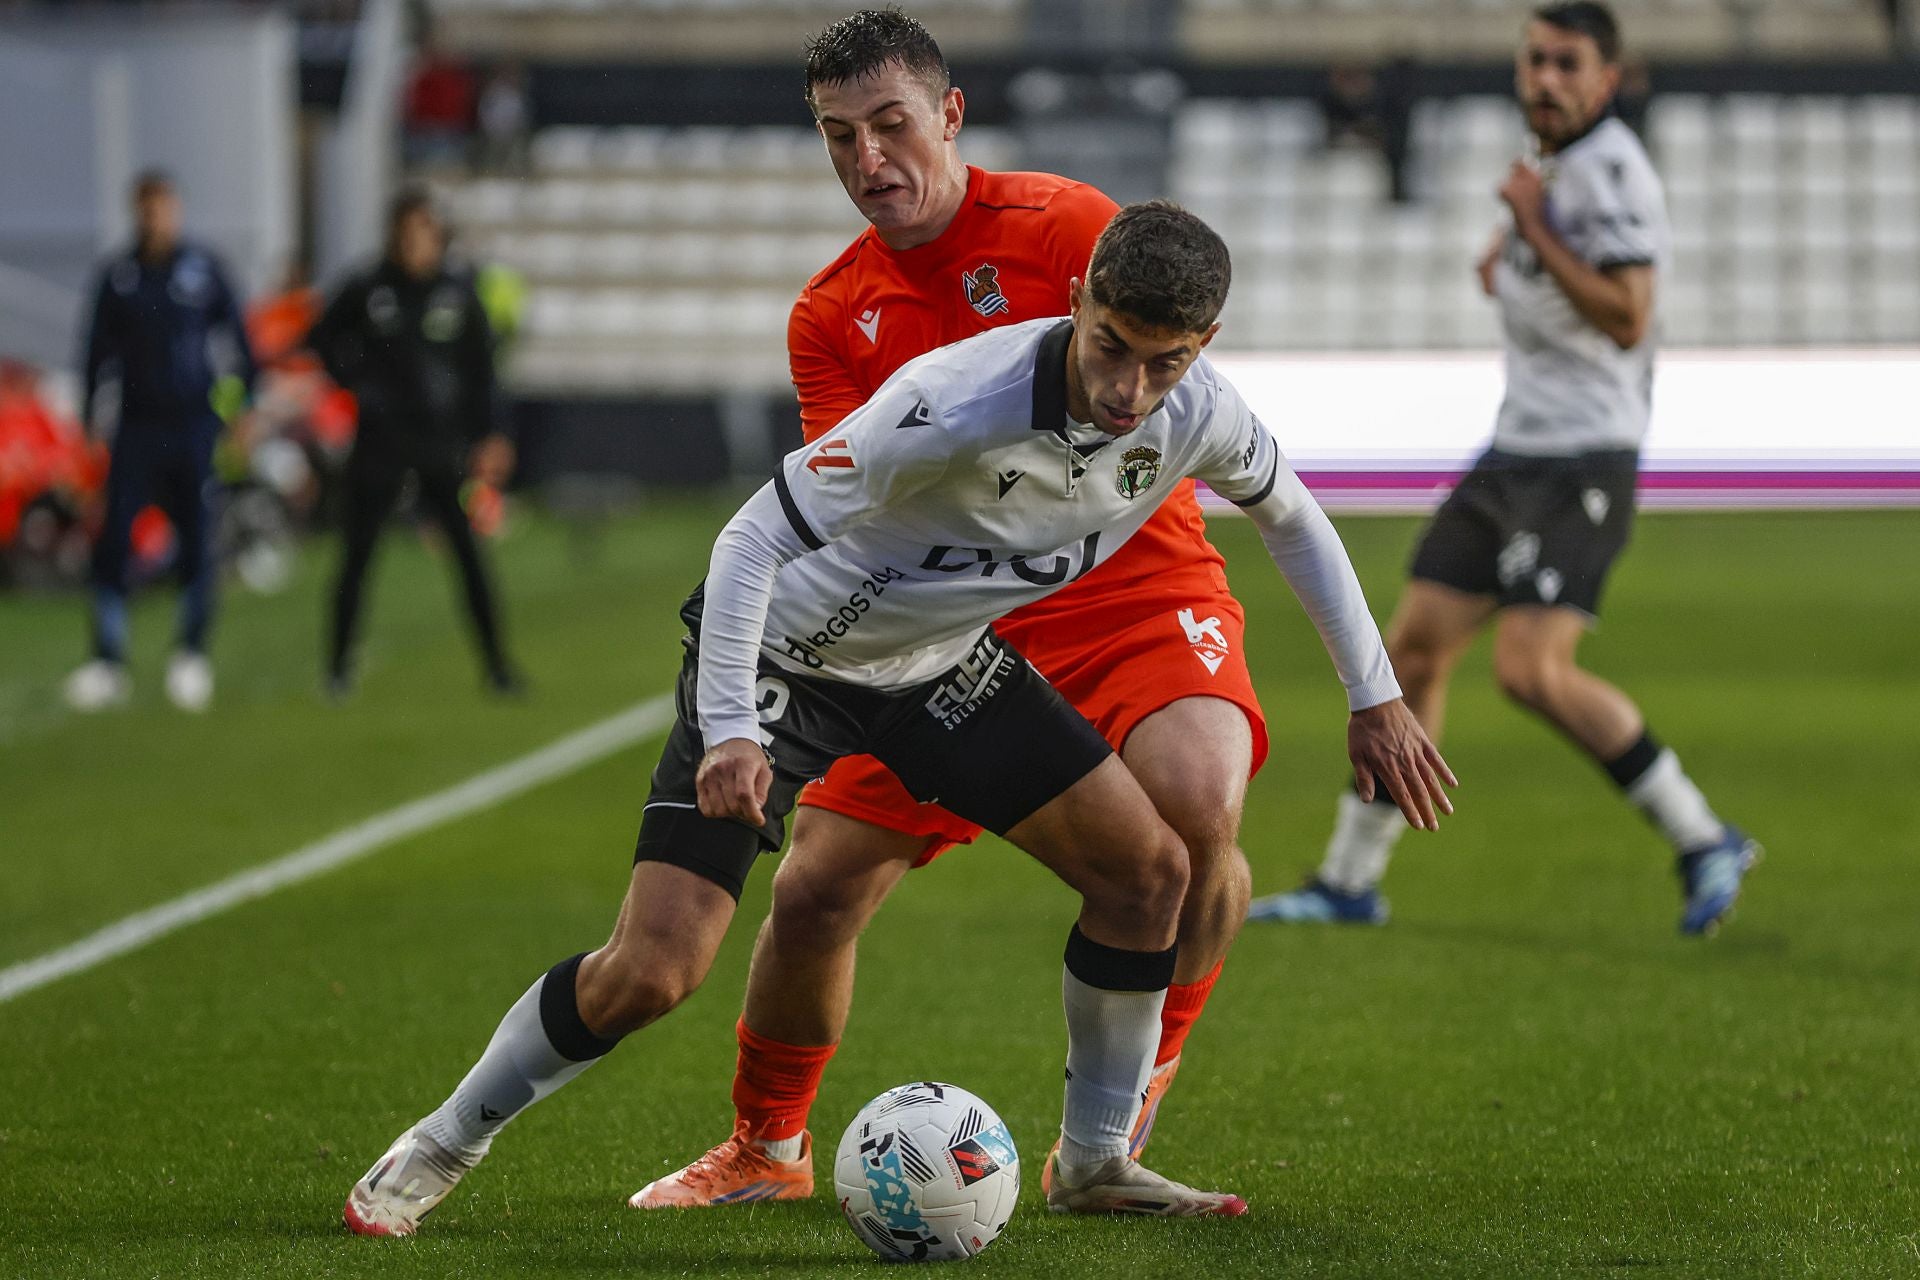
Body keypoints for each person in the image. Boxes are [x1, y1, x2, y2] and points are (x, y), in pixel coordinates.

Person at [342, 201, 1455, 1236]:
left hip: (936, 666)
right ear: (1078, 302)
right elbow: (748, 541)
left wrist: (1375, 698)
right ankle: (446, 1138)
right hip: (784, 663)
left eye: (1165, 362)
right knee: (655, 969)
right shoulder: (953, 401)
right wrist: (731, 728)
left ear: (1204, 345)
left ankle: (1096, 1159)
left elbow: (1294, 518)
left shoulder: (1201, 412)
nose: (1130, 389)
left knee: (1149, 874)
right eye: (1112, 346)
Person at [625, 10, 1401, 1211]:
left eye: (891, 126)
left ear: (949, 117)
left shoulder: (1068, 223)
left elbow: (1175, 379)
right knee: (817, 886)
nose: (871, 158)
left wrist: (1373, 688)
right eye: (841, 136)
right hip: (943, 614)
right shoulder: (830, 314)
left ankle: (1110, 1130)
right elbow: (842, 512)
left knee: (1198, 820)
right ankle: (765, 1144)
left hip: (1132, 581)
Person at [1249, 1, 1758, 937]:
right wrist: (1513, 251)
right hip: (1515, 450)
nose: (1546, 80)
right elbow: (1559, 269)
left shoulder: (1612, 172)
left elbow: (1628, 315)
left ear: (1607, 80)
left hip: (1582, 457)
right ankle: (1349, 881)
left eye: (1568, 64)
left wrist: (1533, 228)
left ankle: (1703, 836)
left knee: (1530, 670)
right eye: (1535, 62)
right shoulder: (1555, 163)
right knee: (1410, 651)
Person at [307, 188, 520, 698]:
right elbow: (320, 339)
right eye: (406, 233)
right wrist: (358, 384)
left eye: (423, 233)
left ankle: (497, 666)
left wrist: (492, 433)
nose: (414, 244)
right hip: (381, 441)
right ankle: (338, 669)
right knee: (358, 554)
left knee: (467, 553)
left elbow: (482, 371)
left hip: (440, 443)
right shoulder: (369, 288)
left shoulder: (457, 294)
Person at [64, 171, 257, 714]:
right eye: (147, 210)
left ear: (177, 211)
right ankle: (108, 659)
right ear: (136, 212)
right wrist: (89, 418)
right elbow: (95, 353)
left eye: (163, 208)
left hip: (193, 425)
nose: (156, 220)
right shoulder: (120, 277)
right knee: (114, 540)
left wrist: (242, 409)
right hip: (137, 426)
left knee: (197, 539)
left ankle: (191, 653)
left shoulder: (203, 269)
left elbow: (241, 344)